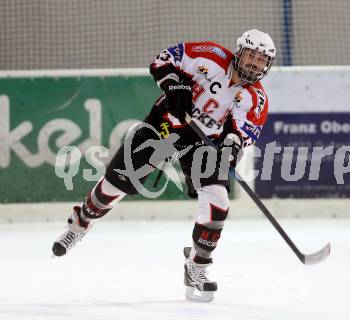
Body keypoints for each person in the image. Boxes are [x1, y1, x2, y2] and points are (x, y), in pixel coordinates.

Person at [52, 29, 276, 302]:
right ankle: (80, 222)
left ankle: (197, 265)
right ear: (239, 51)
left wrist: (231, 147)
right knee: (117, 183)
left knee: (218, 200)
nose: (255, 64)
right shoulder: (211, 56)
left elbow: (241, 133)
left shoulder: (257, 99)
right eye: (251, 55)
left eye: (261, 60)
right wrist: (175, 85)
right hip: (166, 124)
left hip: (203, 144)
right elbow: (164, 59)